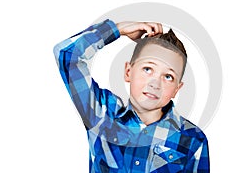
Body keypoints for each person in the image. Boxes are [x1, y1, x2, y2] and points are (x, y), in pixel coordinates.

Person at [53, 19, 210, 172]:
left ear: (177, 88)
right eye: (148, 69)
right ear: (128, 72)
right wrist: (117, 29)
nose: (155, 83)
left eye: (168, 76)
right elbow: (66, 54)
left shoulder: (193, 139)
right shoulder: (102, 113)